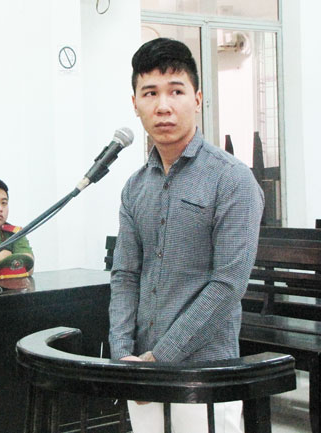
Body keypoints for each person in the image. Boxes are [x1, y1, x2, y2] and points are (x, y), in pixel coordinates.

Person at [108, 37, 264, 433]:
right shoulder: (134, 187)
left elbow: (228, 285)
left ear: (197, 99)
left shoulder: (232, 179)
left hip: (205, 373)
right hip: (140, 370)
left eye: (175, 91)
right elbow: (125, 275)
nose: (163, 105)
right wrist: (124, 357)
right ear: (135, 104)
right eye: (150, 93)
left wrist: (159, 360)